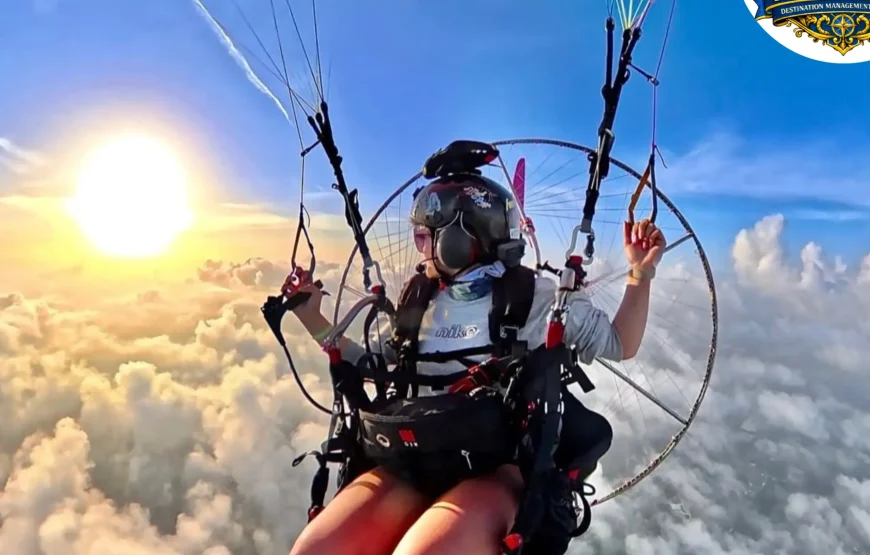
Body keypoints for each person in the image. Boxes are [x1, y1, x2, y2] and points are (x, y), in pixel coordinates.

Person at [287, 169, 665, 555]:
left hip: (496, 469)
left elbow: (621, 343)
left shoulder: (538, 297)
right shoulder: (419, 297)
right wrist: (310, 316)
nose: (419, 248)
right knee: (316, 550)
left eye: (423, 236)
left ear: (457, 237)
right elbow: (372, 360)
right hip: (415, 457)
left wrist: (641, 272)